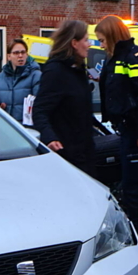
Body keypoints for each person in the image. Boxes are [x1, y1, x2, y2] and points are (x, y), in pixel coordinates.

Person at [96, 15, 138, 260]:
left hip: (137, 130)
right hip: (128, 128)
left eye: (102, 40)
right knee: (131, 183)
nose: (100, 44)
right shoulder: (116, 59)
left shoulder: (135, 57)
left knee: (134, 187)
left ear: (112, 36)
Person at [31, 20, 95, 174]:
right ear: (74, 43)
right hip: (67, 154)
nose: (89, 45)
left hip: (84, 150)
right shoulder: (55, 71)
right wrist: (50, 138)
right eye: (86, 40)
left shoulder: (78, 70)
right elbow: (40, 109)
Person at [0, 38, 42, 124]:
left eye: (23, 52)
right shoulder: (0, 78)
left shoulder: (36, 76)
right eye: (16, 53)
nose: (20, 56)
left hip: (28, 130)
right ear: (9, 56)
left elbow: (41, 105)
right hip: (7, 128)